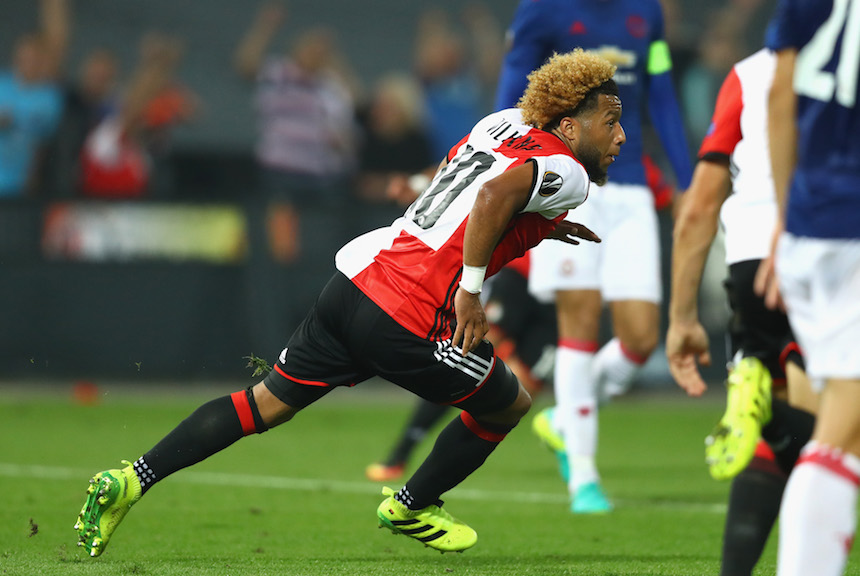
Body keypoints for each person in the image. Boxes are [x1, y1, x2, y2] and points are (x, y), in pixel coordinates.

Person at [73, 48, 625, 557]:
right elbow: (491, 195)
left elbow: (466, 183)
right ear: (570, 124)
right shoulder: (570, 173)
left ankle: (131, 479)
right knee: (508, 405)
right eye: (611, 123)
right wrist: (471, 291)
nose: (620, 136)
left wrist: (537, 229)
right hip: (409, 311)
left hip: (355, 280)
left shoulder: (502, 121)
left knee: (264, 403)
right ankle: (410, 506)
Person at [496, 0, 693, 513]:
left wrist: (688, 179)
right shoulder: (542, 10)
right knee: (578, 321)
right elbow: (512, 89)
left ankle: (564, 421)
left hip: (630, 189)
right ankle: (583, 477)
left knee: (641, 338)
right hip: (568, 183)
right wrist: (504, 167)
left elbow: (663, 96)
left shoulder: (645, 12)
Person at [665, 48, 816, 576]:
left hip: (752, 263)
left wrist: (682, 318)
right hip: (828, 250)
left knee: (805, 431)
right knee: (834, 430)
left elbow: (702, 201)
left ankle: (762, 402)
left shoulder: (749, 73)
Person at [758, 1, 860, 574]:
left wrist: (783, 216)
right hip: (853, 227)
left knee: (845, 428)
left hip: (809, 224)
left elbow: (781, 97)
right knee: (843, 431)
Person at [0, 0, 67, 198]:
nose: (28, 62)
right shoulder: (3, 83)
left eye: (34, 58)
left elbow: (42, 132)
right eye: (24, 56)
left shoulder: (49, 97)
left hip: (20, 187)